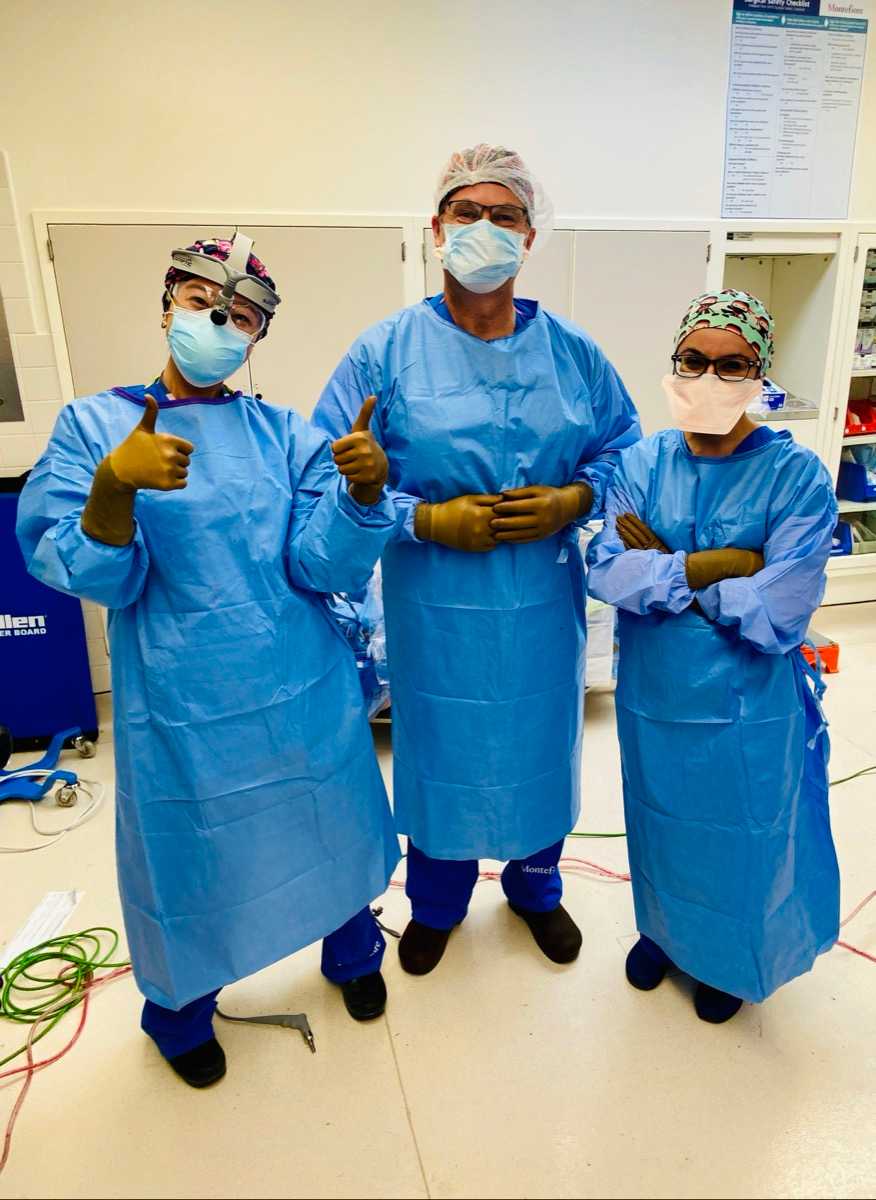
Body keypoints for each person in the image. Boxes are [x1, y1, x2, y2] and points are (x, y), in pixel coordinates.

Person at [17, 234, 401, 1087]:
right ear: (167, 306)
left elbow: (321, 567)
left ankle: (352, 951)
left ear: (260, 336)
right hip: (184, 699)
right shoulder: (95, 425)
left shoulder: (285, 435)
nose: (221, 323)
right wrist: (113, 486)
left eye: (243, 316)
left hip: (301, 685)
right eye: (202, 302)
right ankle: (181, 1013)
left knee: (330, 822)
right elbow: (95, 574)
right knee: (191, 855)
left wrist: (364, 493)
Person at [314, 145, 641, 976]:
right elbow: (327, 472)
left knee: (540, 742)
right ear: (436, 228)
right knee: (441, 750)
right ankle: (437, 902)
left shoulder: (573, 354)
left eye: (504, 214)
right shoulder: (384, 352)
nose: (485, 227)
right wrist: (421, 517)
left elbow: (626, 453)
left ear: (529, 236)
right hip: (435, 605)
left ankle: (536, 888)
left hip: (541, 600)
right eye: (468, 212)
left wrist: (573, 500)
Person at [586, 289, 840, 1023]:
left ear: (760, 375)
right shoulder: (642, 463)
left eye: (733, 365)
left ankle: (728, 957)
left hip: (747, 706)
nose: (709, 377)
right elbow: (608, 571)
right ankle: (664, 934)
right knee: (662, 819)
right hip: (655, 697)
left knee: (741, 832)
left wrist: (668, 571)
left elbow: (779, 609)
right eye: (694, 360)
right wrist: (717, 566)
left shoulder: (796, 478)